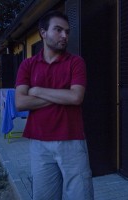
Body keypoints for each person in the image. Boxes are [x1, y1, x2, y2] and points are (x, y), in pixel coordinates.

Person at [15, 10, 94, 200]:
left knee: (80, 195)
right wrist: (61, 95)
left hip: (71, 140)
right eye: (58, 30)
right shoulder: (28, 65)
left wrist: (37, 90)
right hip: (39, 143)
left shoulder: (76, 63)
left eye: (67, 31)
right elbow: (20, 102)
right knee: (44, 196)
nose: (64, 36)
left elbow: (76, 98)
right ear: (43, 32)